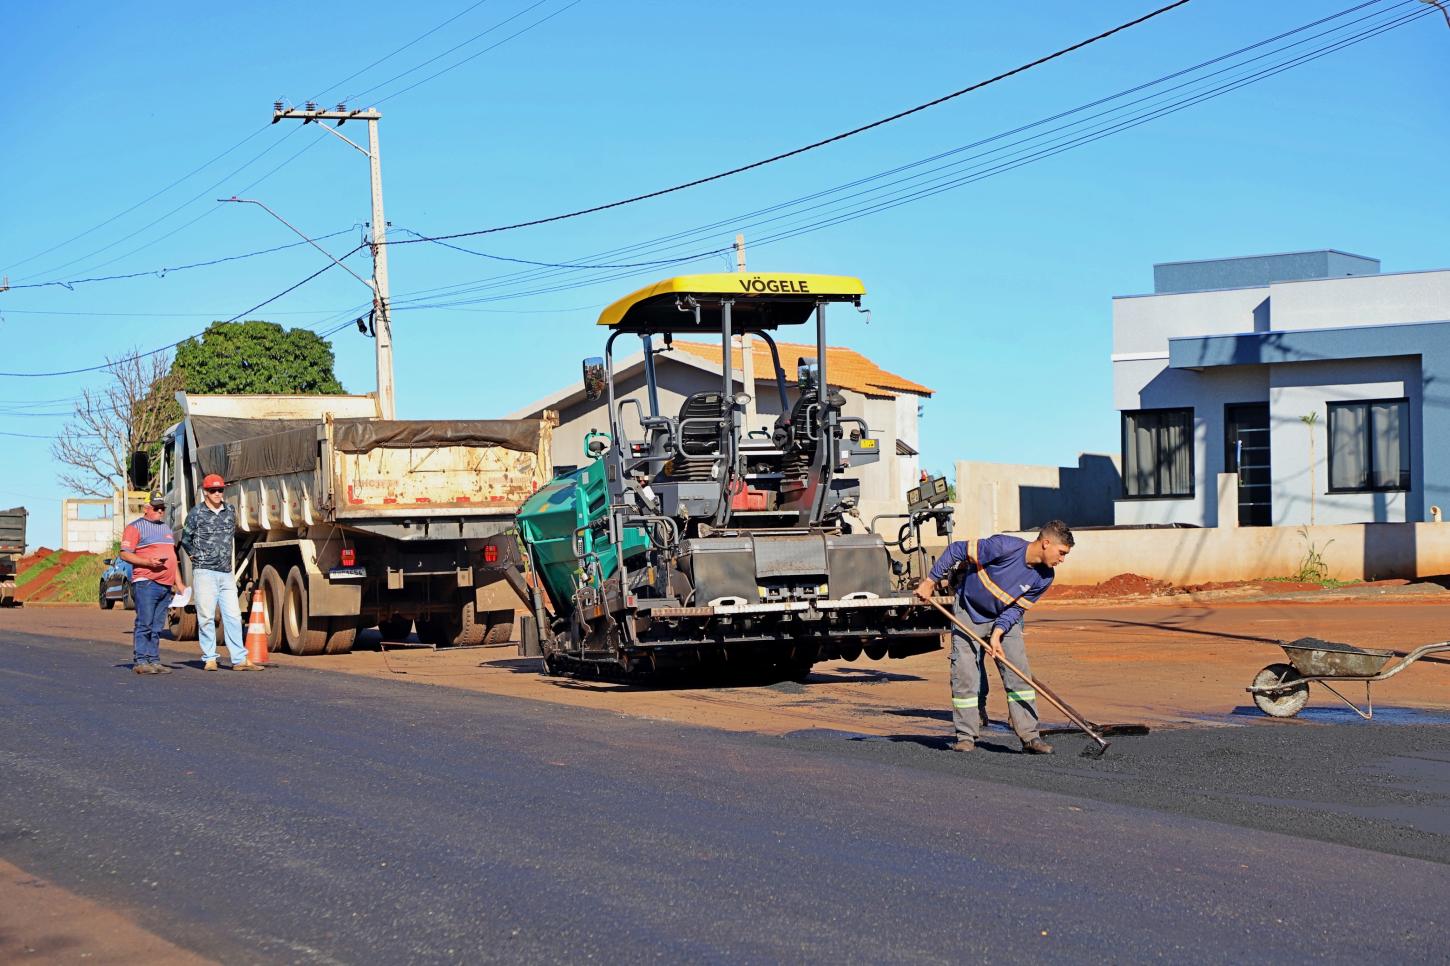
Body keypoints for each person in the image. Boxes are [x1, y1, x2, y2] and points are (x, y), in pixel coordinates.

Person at [915, 520, 1074, 755]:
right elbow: (956, 549)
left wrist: (998, 634)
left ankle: (1030, 736)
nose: (1062, 559)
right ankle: (966, 736)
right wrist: (930, 581)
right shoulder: (1004, 547)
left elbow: (1016, 610)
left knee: (1019, 675)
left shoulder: (1044, 577)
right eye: (1061, 553)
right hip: (968, 611)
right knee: (965, 674)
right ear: (1046, 543)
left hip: (1004, 619)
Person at [180, 473, 265, 672]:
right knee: (207, 616)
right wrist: (195, 557)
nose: (217, 494)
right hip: (204, 572)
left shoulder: (230, 511)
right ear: (205, 492)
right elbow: (185, 539)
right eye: (213, 490)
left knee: (234, 616)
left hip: (226, 572)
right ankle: (210, 658)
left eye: (220, 490)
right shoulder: (196, 513)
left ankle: (239, 659)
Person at [118, 492, 185, 675]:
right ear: (146, 508)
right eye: (156, 508)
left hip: (165, 584)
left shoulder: (166, 529)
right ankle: (141, 660)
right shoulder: (135, 528)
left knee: (157, 626)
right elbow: (124, 553)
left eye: (162, 508)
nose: (160, 512)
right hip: (147, 582)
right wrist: (147, 562)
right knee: (145, 622)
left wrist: (179, 583)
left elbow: (172, 558)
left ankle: (154, 660)